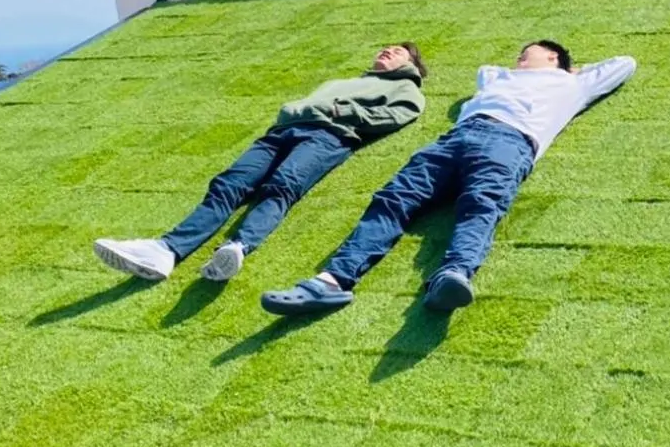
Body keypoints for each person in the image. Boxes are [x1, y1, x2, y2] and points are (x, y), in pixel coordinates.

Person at [261, 40, 635, 315]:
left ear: (554, 56)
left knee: (480, 206)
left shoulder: (573, 84)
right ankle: (329, 282)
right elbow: (485, 70)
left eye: (529, 50)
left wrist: (570, 71)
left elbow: (625, 62)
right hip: (453, 139)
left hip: (512, 141)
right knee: (393, 200)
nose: (519, 55)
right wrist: (525, 69)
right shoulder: (499, 79)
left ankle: (453, 274)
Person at [93, 43, 427, 283]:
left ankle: (237, 247)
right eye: (384, 48)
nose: (386, 51)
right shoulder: (346, 81)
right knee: (227, 184)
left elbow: (398, 115)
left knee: (282, 186)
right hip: (280, 132)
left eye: (397, 51)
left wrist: (344, 112)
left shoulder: (406, 88)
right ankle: (165, 250)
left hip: (328, 136)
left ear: (410, 63)